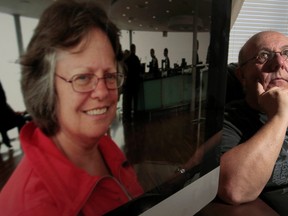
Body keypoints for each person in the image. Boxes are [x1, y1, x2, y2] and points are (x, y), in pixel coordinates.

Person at [0, 1, 143, 215]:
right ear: (45, 86)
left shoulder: (104, 147)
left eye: (110, 75)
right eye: (83, 77)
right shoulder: (32, 208)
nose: (103, 92)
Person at [218, 31, 288, 214]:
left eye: (287, 53)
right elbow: (234, 189)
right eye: (264, 55)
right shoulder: (228, 120)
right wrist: (279, 116)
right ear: (242, 75)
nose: (280, 62)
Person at [0, 81, 26, 149]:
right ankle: (23, 140)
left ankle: (5, 139)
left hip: (3, 120)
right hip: (4, 121)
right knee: (21, 119)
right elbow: (3, 102)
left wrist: (14, 113)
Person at [122, 43, 142, 122]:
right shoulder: (136, 58)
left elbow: (125, 71)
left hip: (129, 84)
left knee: (129, 102)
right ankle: (136, 116)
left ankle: (129, 117)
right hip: (135, 83)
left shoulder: (127, 59)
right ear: (134, 49)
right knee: (135, 101)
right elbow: (139, 70)